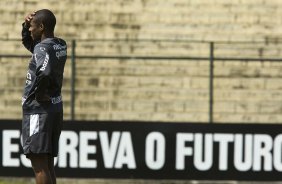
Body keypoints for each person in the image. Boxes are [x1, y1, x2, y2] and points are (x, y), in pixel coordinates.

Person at [21, 9, 67, 184]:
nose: (30, 30)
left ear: (41, 26)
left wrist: (39, 94)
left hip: (38, 111)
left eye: (32, 27)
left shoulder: (42, 48)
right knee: (48, 164)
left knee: (39, 165)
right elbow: (33, 46)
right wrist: (25, 27)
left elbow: (44, 71)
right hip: (54, 108)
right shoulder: (59, 44)